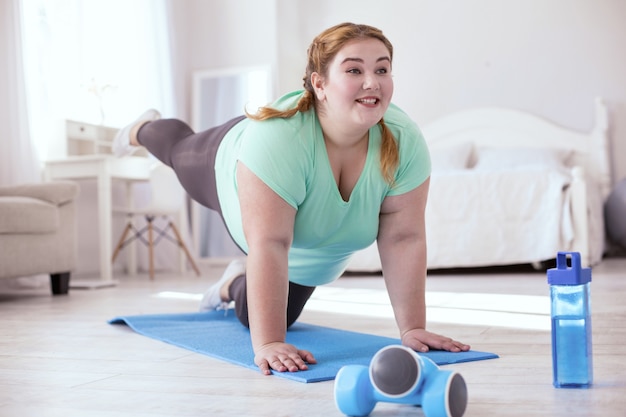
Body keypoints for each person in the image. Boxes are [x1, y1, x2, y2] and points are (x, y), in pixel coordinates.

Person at [113, 22, 470, 376]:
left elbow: (403, 238)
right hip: (230, 168)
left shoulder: (404, 141)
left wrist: (412, 329)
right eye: (354, 70)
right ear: (320, 84)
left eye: (382, 69)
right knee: (178, 150)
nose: (371, 81)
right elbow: (270, 243)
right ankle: (140, 129)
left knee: (262, 316)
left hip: (307, 251)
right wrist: (268, 344)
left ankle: (228, 284)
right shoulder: (277, 139)